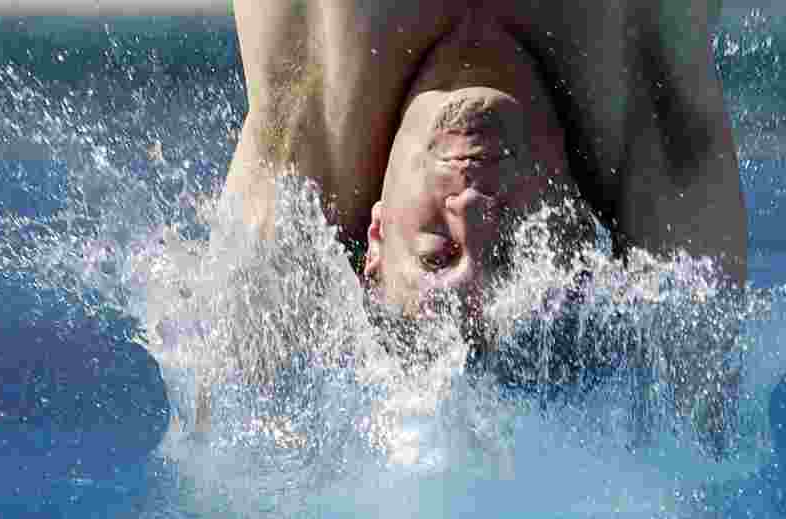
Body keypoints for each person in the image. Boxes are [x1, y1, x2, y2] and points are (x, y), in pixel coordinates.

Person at [216, 0, 747, 454]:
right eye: (513, 253)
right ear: (578, 238)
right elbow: (699, 434)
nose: (472, 211)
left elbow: (239, 448)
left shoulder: (306, 132)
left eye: (438, 253)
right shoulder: (645, 103)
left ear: (374, 245)